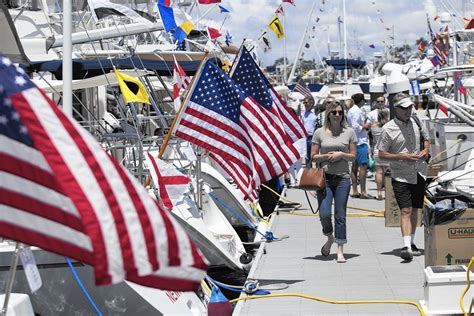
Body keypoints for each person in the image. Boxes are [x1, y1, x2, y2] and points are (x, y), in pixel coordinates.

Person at [377, 92, 430, 261]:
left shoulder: (416, 120)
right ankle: (406, 245)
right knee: (405, 210)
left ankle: (412, 241)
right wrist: (402, 156)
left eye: (409, 107)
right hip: (400, 175)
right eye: (404, 108)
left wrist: (426, 150)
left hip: (419, 171)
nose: (408, 110)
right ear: (395, 109)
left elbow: (426, 138)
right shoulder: (388, 129)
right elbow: (381, 155)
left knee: (416, 209)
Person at [311, 101, 357, 263]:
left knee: (340, 215)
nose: (337, 115)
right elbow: (313, 156)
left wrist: (341, 155)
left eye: (340, 112)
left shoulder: (349, 132)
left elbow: (353, 155)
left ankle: (340, 249)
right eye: (334, 112)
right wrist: (326, 157)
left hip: (343, 178)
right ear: (328, 114)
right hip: (325, 178)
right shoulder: (319, 132)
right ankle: (330, 237)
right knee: (324, 213)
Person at [347, 93, 372, 199]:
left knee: (354, 167)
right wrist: (365, 126)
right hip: (360, 141)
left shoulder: (351, 110)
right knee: (363, 167)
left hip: (354, 142)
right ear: (361, 101)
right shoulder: (356, 111)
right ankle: (363, 191)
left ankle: (355, 190)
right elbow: (355, 127)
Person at [371, 108, 390, 200]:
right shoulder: (390, 126)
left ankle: (379, 192)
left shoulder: (374, 126)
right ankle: (387, 192)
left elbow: (373, 140)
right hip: (387, 151)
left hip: (377, 150)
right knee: (388, 173)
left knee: (378, 172)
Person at [300, 95, 317, 167]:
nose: (305, 104)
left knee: (315, 156)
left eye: (306, 102)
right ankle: (309, 173)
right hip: (306, 138)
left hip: (313, 138)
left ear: (311, 103)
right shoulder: (303, 115)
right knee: (307, 157)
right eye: (304, 103)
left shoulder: (315, 114)